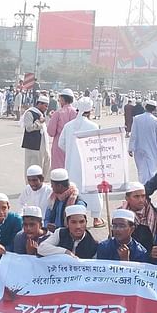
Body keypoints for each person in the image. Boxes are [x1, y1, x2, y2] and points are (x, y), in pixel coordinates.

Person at [59, 97, 104, 228]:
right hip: (89, 165)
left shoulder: (68, 126)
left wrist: (71, 151)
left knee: (74, 191)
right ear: (89, 111)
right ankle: (96, 219)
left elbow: (61, 144)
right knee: (93, 190)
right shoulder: (93, 126)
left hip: (72, 166)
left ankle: (72, 218)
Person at [128, 99, 157, 184]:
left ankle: (143, 186)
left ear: (145, 107)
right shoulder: (156, 121)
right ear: (154, 109)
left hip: (139, 148)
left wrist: (131, 148)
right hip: (152, 149)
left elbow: (133, 135)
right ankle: (147, 187)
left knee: (141, 170)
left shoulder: (137, 119)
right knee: (151, 170)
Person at [120, 181, 157, 250]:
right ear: (127, 198)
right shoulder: (121, 215)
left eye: (143, 196)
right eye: (136, 196)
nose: (141, 200)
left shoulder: (152, 212)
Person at [21, 94, 51, 179]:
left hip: (42, 145)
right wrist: (39, 122)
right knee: (33, 168)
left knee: (44, 165)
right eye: (45, 106)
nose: (46, 108)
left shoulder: (41, 114)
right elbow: (29, 128)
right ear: (40, 104)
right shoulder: (30, 113)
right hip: (33, 146)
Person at [46, 89, 76, 170]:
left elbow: (51, 132)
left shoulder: (58, 113)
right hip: (73, 143)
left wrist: (51, 118)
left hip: (59, 143)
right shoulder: (76, 112)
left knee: (58, 169)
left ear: (62, 99)